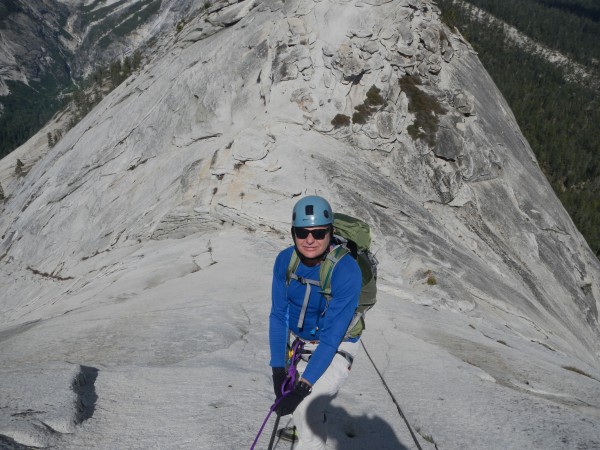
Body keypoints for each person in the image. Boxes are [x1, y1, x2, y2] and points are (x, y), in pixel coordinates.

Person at [269, 195, 362, 450]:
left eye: (319, 233)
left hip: (339, 343)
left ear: (330, 233)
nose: (310, 240)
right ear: (293, 233)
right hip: (302, 341)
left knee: (305, 408)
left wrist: (302, 388)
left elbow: (332, 337)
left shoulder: (346, 270)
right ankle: (312, 423)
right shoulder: (285, 261)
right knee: (301, 408)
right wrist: (278, 370)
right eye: (302, 232)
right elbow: (278, 316)